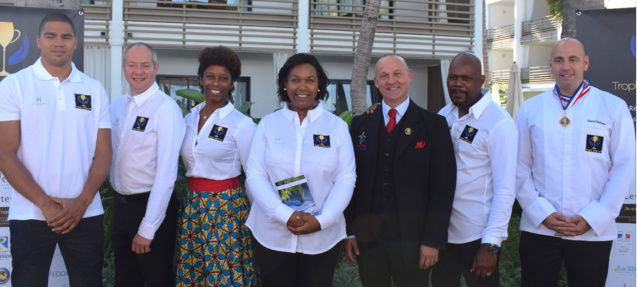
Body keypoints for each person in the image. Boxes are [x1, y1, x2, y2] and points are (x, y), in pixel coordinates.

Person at [0, 13, 111, 286]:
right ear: (38, 41)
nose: (58, 42)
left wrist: (82, 203)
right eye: (51, 36)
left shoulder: (94, 89)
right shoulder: (14, 85)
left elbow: (104, 152)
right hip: (31, 214)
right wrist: (46, 205)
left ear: (75, 43)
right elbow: (4, 152)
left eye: (65, 37)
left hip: (86, 213)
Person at [515, 37, 636, 287]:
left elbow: (624, 167)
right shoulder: (530, 109)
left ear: (586, 63)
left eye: (573, 59)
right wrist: (542, 213)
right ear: (550, 65)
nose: (565, 67)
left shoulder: (613, 107)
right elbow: (518, 167)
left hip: (591, 230)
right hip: (541, 229)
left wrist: (595, 217)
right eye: (559, 60)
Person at [344, 54, 456, 287]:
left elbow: (443, 188)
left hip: (414, 241)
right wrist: (350, 232)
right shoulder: (360, 125)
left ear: (409, 76)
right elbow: (351, 182)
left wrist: (433, 240)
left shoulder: (433, 125)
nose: (391, 81)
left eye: (397, 74)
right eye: (384, 76)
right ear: (375, 82)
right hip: (369, 240)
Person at [245, 53, 356, 287]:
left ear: (320, 86)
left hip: (322, 236)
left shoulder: (336, 127)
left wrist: (324, 220)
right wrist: (283, 214)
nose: (302, 87)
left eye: (310, 80)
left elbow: (346, 178)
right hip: (272, 233)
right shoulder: (268, 124)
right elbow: (255, 175)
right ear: (284, 84)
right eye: (295, 79)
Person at [430, 52, 517, 287]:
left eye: (466, 78)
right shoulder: (443, 115)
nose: (457, 84)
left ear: (482, 79)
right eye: (453, 77)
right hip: (442, 235)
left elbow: (505, 189)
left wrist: (491, 244)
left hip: (476, 238)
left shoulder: (499, 124)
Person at [175, 46, 258, 287]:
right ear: (201, 79)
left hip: (226, 208)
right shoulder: (188, 119)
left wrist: (256, 219)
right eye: (210, 76)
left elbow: (253, 175)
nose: (216, 83)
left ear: (232, 83)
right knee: (194, 273)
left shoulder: (241, 124)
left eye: (224, 78)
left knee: (224, 274)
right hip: (192, 206)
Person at [109, 42, 185, 286]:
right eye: (132, 65)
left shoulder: (166, 109)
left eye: (145, 65)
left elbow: (166, 174)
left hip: (151, 207)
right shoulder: (117, 106)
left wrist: (148, 227)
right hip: (121, 207)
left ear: (156, 68)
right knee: (125, 279)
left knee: (155, 280)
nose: (138, 71)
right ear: (124, 68)